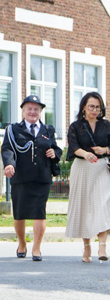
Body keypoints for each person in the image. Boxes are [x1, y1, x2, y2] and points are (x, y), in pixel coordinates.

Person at [2, 95, 62, 261]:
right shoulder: (13, 130)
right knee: (19, 214)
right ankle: (22, 244)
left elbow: (57, 149)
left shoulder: (48, 130)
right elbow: (7, 149)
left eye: (36, 109)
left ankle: (36, 248)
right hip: (20, 176)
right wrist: (9, 164)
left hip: (42, 177)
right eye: (29, 108)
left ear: (40, 112)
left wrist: (54, 153)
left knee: (39, 212)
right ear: (23, 111)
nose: (33, 112)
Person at [64, 92, 110, 262]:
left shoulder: (106, 125)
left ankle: (102, 246)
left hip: (102, 169)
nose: (94, 110)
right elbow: (73, 146)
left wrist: (105, 150)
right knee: (84, 207)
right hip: (82, 168)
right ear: (84, 107)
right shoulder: (75, 126)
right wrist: (86, 154)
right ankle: (86, 247)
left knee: (102, 205)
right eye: (91, 106)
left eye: (98, 107)